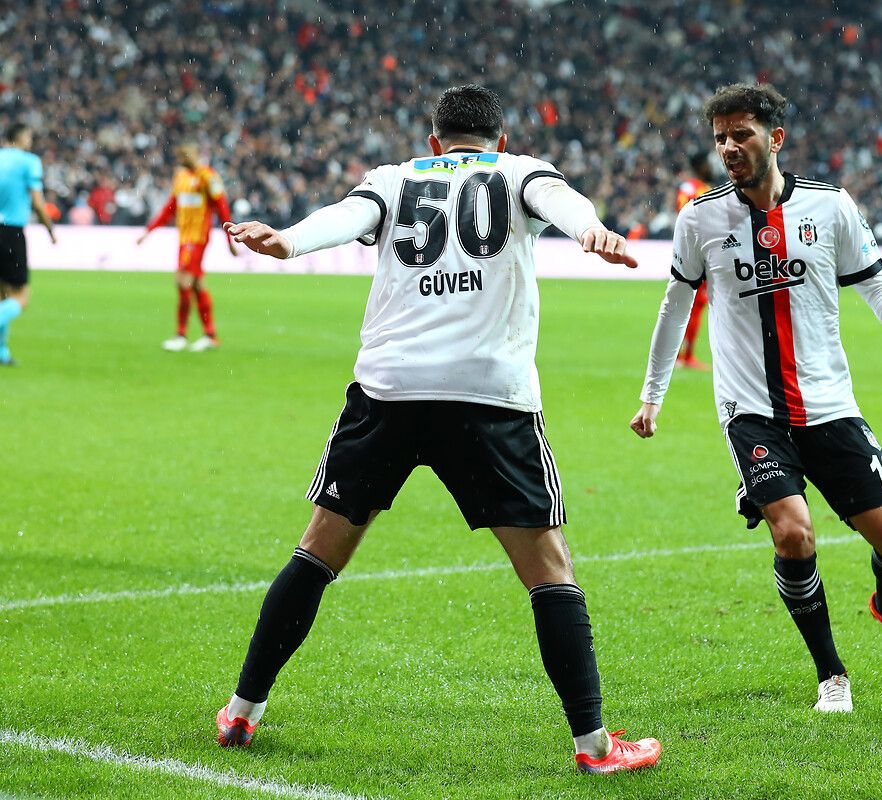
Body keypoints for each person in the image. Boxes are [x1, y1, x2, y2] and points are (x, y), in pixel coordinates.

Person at [215, 85, 661, 774]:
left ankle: (241, 711)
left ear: (434, 142)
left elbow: (344, 217)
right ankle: (595, 746)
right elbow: (560, 202)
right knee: (549, 568)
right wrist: (591, 229)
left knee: (317, 553)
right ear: (502, 140)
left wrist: (287, 241)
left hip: (388, 393)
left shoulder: (395, 180)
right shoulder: (518, 172)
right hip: (488, 397)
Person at [630, 83, 882, 713]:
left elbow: (871, 277)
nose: (728, 148)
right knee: (793, 535)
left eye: (741, 134)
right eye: (720, 137)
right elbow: (675, 306)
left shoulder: (830, 207)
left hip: (828, 402)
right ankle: (832, 673)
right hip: (752, 411)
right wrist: (652, 396)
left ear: (775, 137)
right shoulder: (701, 219)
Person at [136, 143, 235, 352]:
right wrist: (149, 230)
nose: (182, 159)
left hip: (197, 239)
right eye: (180, 156)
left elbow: (222, 208)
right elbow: (170, 207)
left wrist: (230, 239)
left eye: (185, 154)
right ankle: (210, 335)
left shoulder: (208, 177)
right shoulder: (180, 178)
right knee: (197, 284)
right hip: (183, 239)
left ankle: (181, 335)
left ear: (197, 154)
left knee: (182, 281)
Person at [0, 123, 57, 367]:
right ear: (20, 138)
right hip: (11, 232)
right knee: (21, 297)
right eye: (29, 137)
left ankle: (2, 353)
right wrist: (50, 229)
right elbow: (37, 201)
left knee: (3, 295)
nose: (30, 142)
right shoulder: (29, 161)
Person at [674, 152, 717, 370]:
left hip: (685, 250)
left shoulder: (686, 188)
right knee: (696, 305)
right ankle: (685, 356)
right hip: (702, 253)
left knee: (685, 304)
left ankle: (679, 354)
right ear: (701, 166)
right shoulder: (703, 189)